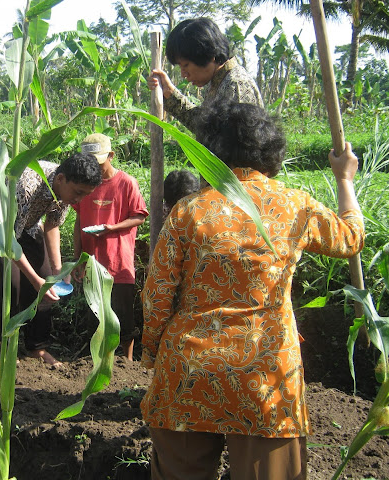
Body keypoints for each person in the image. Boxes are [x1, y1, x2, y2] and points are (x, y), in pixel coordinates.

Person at [140, 102, 364, 480]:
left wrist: (152, 353)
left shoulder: (188, 210)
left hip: (189, 369)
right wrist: (344, 179)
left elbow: (157, 293)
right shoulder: (295, 205)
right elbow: (351, 238)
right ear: (271, 152)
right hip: (265, 374)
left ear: (209, 153)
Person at [0, 153, 102, 367]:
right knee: (12, 285)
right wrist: (33, 279)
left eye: (84, 195)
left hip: (27, 227)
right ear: (60, 179)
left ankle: (37, 348)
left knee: (46, 283)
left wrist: (58, 270)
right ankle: (6, 346)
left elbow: (52, 224)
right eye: (78, 193)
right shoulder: (26, 183)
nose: (78, 200)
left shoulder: (65, 191)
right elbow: (8, 239)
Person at [72, 133, 148, 361]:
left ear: (111, 156)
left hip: (119, 261)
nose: (93, 167)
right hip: (92, 261)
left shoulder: (126, 183)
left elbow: (139, 216)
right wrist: (78, 259)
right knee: (94, 315)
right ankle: (100, 359)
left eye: (98, 161)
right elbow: (78, 221)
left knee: (123, 315)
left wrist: (112, 228)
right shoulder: (83, 185)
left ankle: (127, 361)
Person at [147, 18, 263, 137]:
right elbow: (206, 128)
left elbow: (242, 147)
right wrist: (170, 93)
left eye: (186, 65)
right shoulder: (219, 82)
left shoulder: (236, 85)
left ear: (208, 55)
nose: (183, 74)